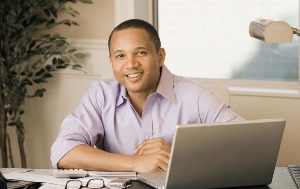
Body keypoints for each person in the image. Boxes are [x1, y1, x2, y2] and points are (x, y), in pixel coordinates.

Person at [51, 19, 244, 173]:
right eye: (120, 56)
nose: (131, 64)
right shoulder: (100, 94)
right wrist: (135, 163)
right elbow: (63, 151)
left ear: (160, 56)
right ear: (111, 61)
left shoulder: (198, 96)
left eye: (140, 53)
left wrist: (179, 156)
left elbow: (248, 146)